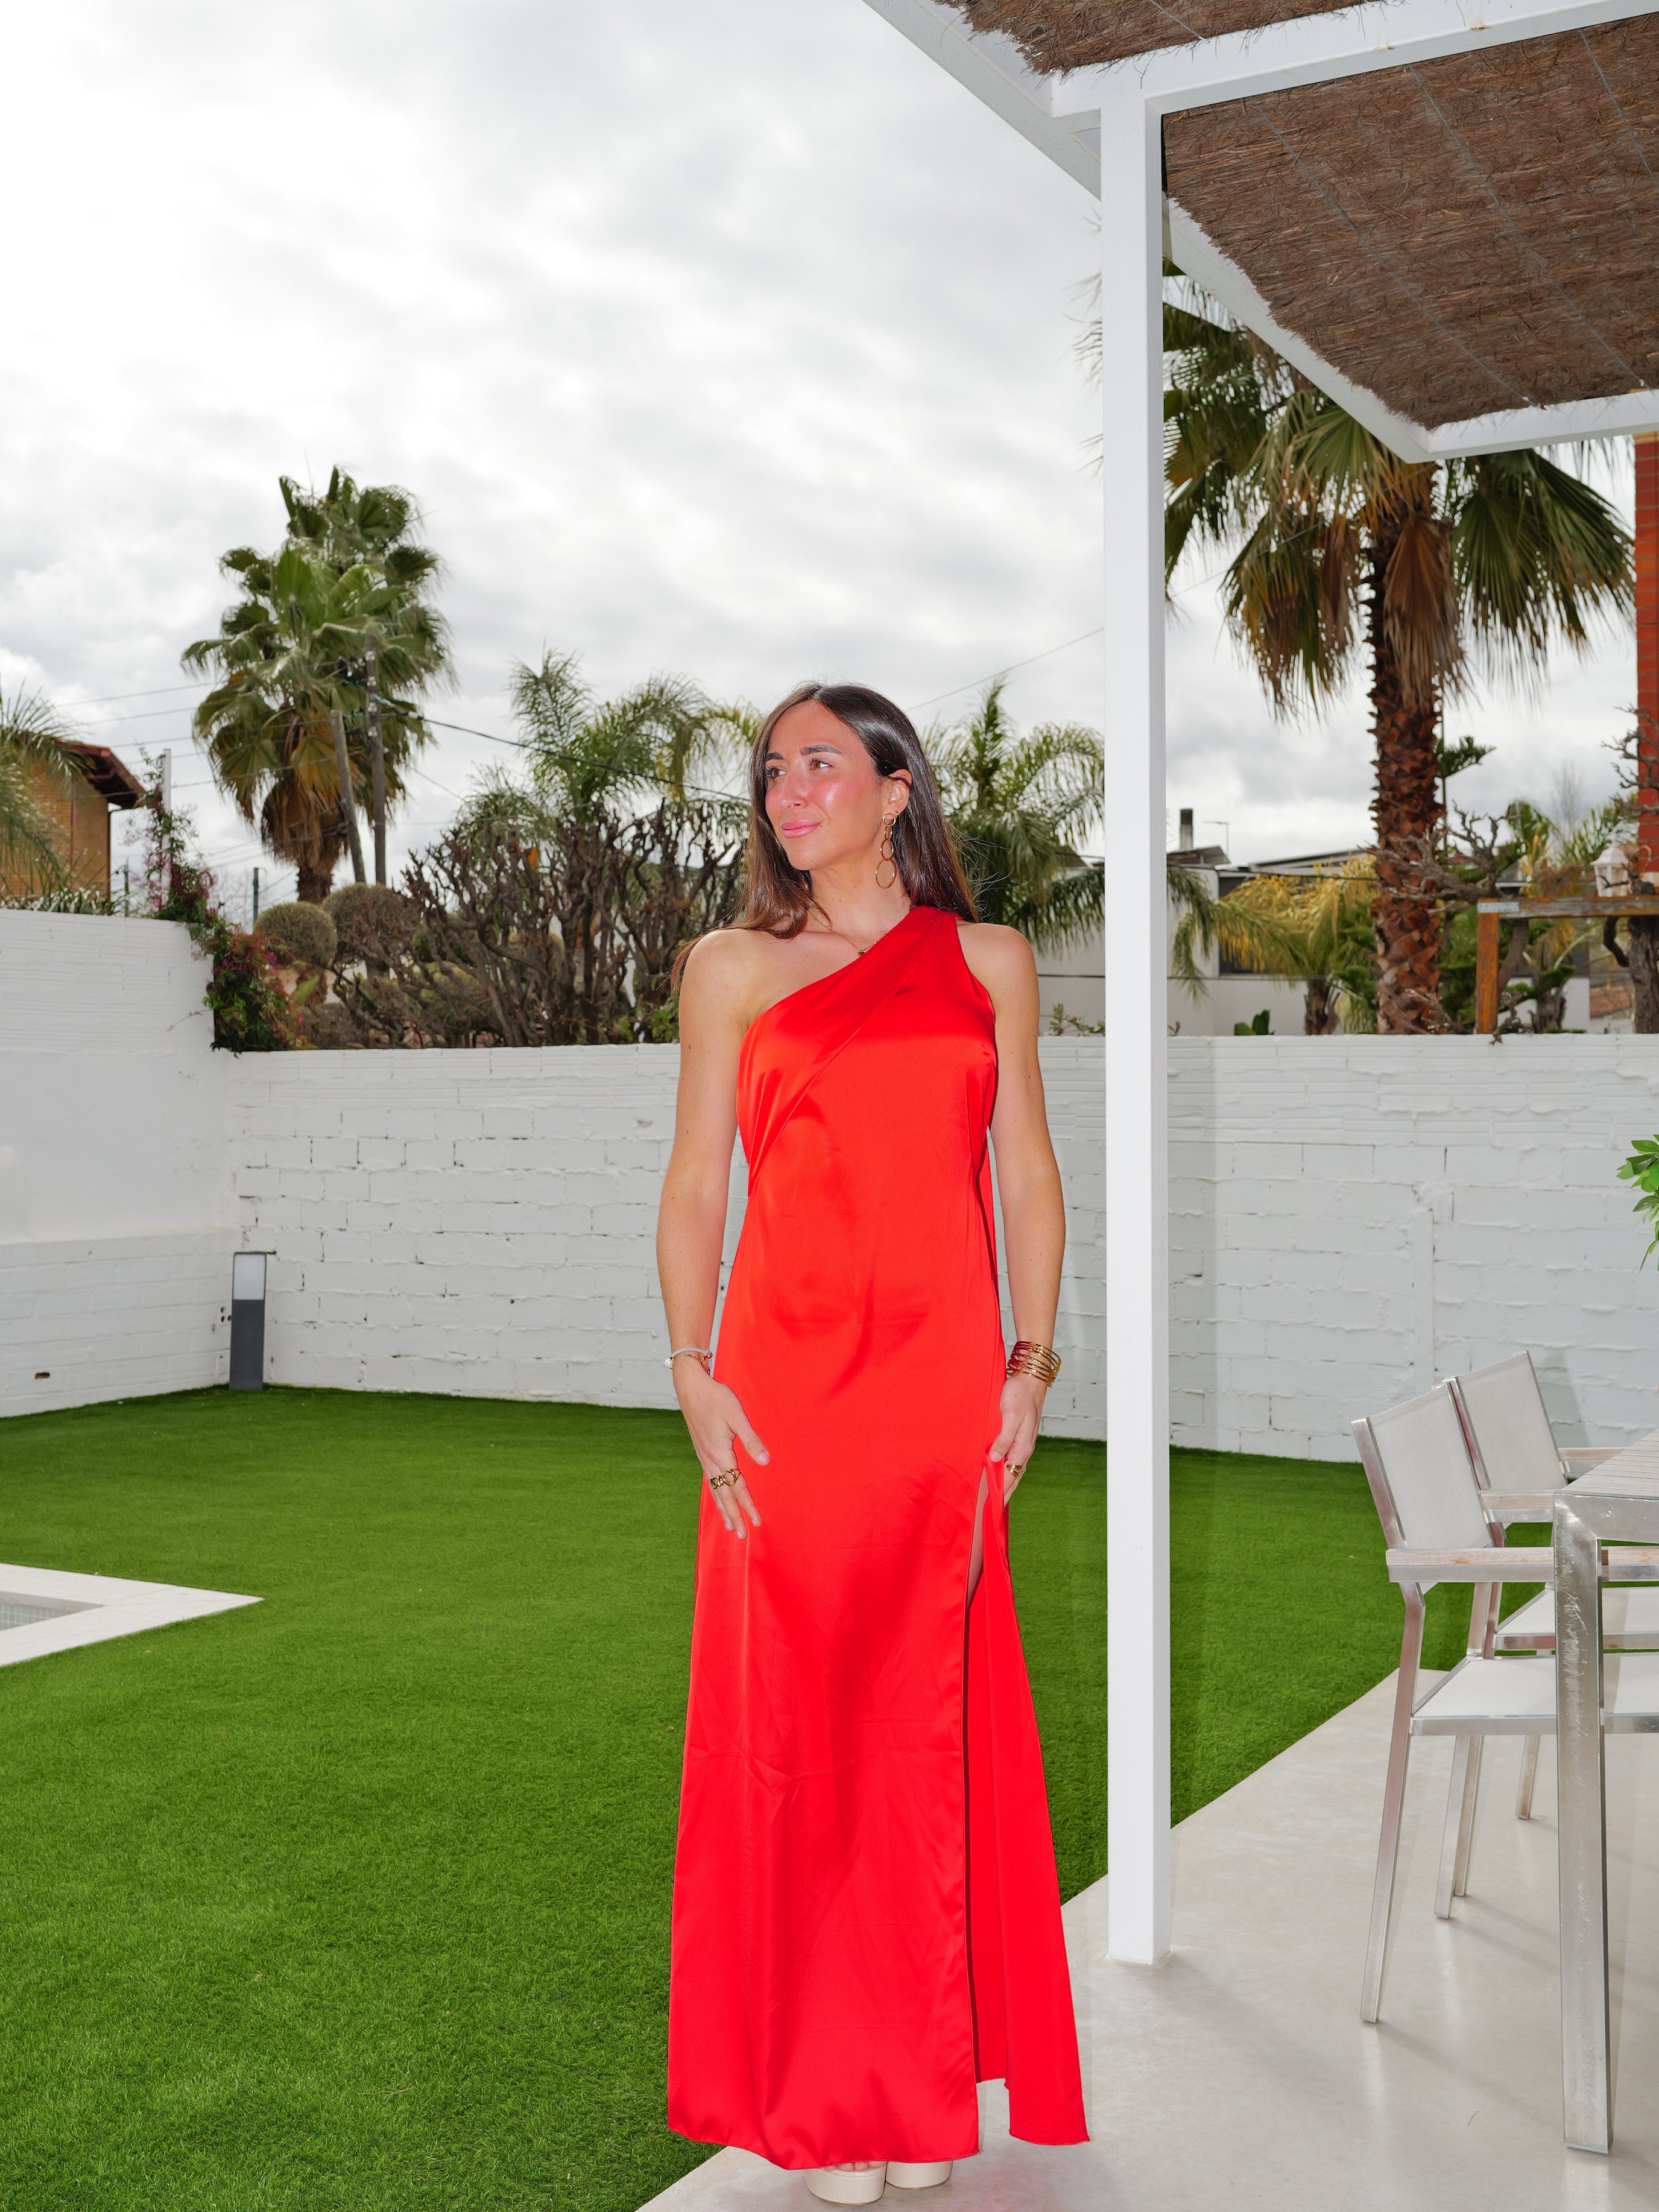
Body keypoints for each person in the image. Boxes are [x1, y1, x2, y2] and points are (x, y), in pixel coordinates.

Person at [656, 681, 1087, 2205]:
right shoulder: (728, 967)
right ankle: (830, 2097)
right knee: (796, 1740)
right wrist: (691, 1369)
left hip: (936, 1402)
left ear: (896, 789)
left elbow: (1025, 1173)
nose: (788, 788)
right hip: (780, 1403)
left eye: (820, 762)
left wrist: (1029, 1363)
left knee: (920, 1736)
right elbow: (694, 1184)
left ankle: (911, 2082)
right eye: (773, 769)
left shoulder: (987, 960)